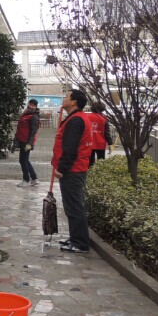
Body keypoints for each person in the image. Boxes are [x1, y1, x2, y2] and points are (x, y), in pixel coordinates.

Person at [52, 89, 93, 254]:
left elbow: (70, 148)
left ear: (74, 101)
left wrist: (62, 168)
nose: (64, 99)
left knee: (74, 206)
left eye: (66, 97)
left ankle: (80, 243)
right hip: (76, 168)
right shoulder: (77, 118)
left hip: (73, 170)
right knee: (72, 206)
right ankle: (75, 238)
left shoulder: (76, 120)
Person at [13, 99, 41, 187]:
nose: (30, 106)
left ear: (35, 107)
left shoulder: (34, 116)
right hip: (22, 140)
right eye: (30, 104)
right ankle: (34, 178)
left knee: (22, 160)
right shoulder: (26, 114)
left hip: (26, 142)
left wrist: (29, 143)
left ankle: (26, 180)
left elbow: (33, 131)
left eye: (33, 105)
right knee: (25, 160)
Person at [87, 101, 114, 166]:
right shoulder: (104, 118)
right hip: (100, 143)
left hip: (88, 143)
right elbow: (107, 133)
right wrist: (110, 144)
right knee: (101, 163)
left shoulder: (87, 117)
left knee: (89, 163)